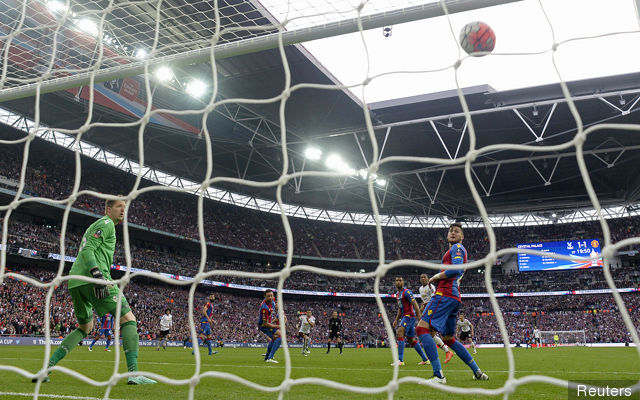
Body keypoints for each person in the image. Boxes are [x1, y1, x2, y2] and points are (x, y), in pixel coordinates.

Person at [33, 199, 156, 385]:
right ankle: (134, 374)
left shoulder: (100, 226)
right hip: (93, 278)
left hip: (75, 280)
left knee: (85, 328)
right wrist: (97, 275)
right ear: (108, 209)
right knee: (128, 319)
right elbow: (88, 250)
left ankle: (45, 370)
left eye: (125, 207)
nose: (123, 209)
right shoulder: (106, 224)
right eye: (118, 206)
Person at [416, 222, 488, 384]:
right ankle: (477, 371)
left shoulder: (457, 249)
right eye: (450, 231)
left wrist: (436, 277)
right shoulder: (456, 250)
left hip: (444, 294)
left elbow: (456, 269)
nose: (453, 233)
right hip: (454, 298)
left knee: (421, 328)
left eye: (457, 231)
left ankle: (438, 375)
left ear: (462, 237)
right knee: (448, 339)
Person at [390, 276, 429, 366]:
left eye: (400, 280)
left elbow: (415, 305)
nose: (398, 282)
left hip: (409, 316)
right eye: (397, 280)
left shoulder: (407, 292)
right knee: (411, 339)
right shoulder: (397, 294)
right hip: (405, 316)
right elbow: (400, 308)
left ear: (403, 282)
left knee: (400, 332)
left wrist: (420, 319)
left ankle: (400, 360)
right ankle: (425, 359)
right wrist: (396, 319)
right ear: (395, 283)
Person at [418, 274, 454, 363]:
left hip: (432, 308)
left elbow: (435, 297)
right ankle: (444, 352)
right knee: (429, 333)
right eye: (421, 277)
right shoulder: (420, 289)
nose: (423, 279)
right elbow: (424, 300)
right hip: (426, 309)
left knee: (426, 332)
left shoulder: (431, 287)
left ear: (427, 278)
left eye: (424, 277)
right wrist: (422, 308)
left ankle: (443, 353)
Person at [258, 289, 282, 363]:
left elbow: (276, 304)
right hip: (264, 326)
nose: (270, 297)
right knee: (280, 336)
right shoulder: (264, 308)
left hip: (268, 323)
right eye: (268, 296)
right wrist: (277, 326)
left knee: (275, 338)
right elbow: (265, 324)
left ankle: (267, 358)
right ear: (265, 296)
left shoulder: (272, 301)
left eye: (271, 295)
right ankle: (270, 357)